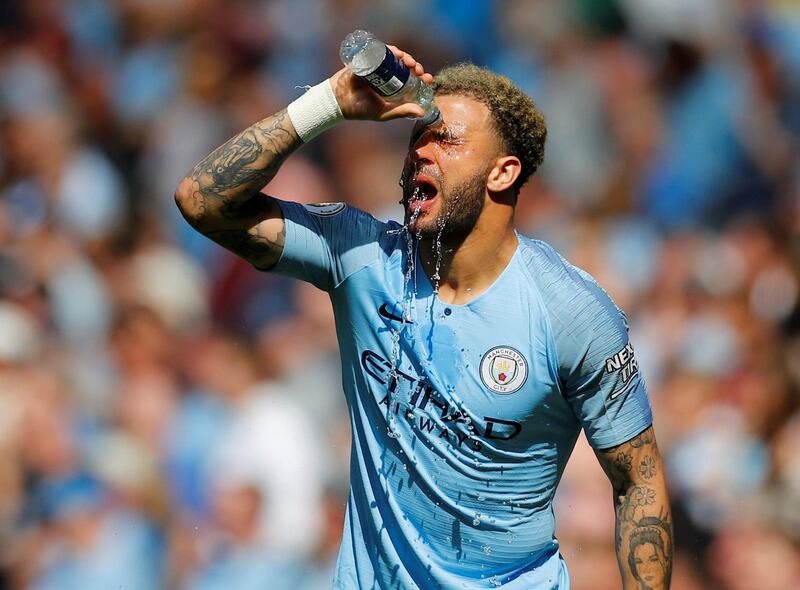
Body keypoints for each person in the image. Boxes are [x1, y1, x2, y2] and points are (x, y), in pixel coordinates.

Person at [175, 43, 673, 589]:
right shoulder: (360, 257)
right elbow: (202, 201)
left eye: (447, 140)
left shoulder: (569, 311)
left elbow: (637, 483)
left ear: (502, 173)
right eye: (417, 140)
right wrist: (329, 104)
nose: (421, 154)